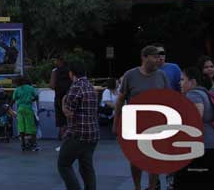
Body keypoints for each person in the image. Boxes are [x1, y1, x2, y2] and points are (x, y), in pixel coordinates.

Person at [113, 45, 170, 190]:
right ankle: (137, 187)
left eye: (159, 56)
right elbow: (120, 100)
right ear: (144, 57)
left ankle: (152, 187)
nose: (159, 59)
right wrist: (116, 123)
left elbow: (168, 99)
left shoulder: (162, 75)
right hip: (135, 123)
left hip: (157, 123)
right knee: (136, 158)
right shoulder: (130, 75)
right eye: (155, 56)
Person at [57, 62, 99, 190]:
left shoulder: (76, 87)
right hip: (92, 134)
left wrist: (63, 101)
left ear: (71, 73)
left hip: (77, 133)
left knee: (64, 165)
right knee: (86, 167)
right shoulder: (91, 87)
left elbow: (68, 112)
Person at [174, 67, 214, 188]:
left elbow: (194, 121)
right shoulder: (205, 93)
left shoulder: (193, 94)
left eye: (182, 79)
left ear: (193, 82)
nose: (179, 83)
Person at [12, 76, 40, 151]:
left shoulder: (17, 89)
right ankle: (34, 144)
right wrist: (30, 100)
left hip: (20, 109)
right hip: (28, 109)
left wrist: (9, 106)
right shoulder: (30, 88)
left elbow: (13, 99)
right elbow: (36, 97)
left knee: (21, 127)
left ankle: (23, 144)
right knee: (31, 127)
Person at [50, 56, 72, 139]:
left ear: (60, 61)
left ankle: (62, 134)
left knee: (60, 115)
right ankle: (67, 133)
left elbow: (52, 85)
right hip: (69, 95)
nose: (55, 62)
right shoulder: (70, 70)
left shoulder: (55, 71)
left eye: (55, 60)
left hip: (59, 96)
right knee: (68, 115)